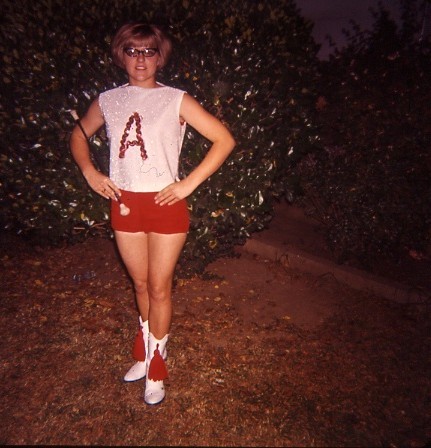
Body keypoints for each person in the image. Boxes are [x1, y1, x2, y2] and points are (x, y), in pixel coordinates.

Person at [70, 23, 235, 405]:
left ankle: (158, 362)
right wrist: (90, 171)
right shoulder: (108, 100)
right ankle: (144, 351)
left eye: (148, 52)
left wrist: (187, 185)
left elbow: (224, 139)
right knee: (140, 286)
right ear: (121, 55)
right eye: (132, 51)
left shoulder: (176, 99)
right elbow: (78, 134)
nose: (140, 59)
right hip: (124, 203)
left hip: (165, 205)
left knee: (159, 288)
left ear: (160, 57)